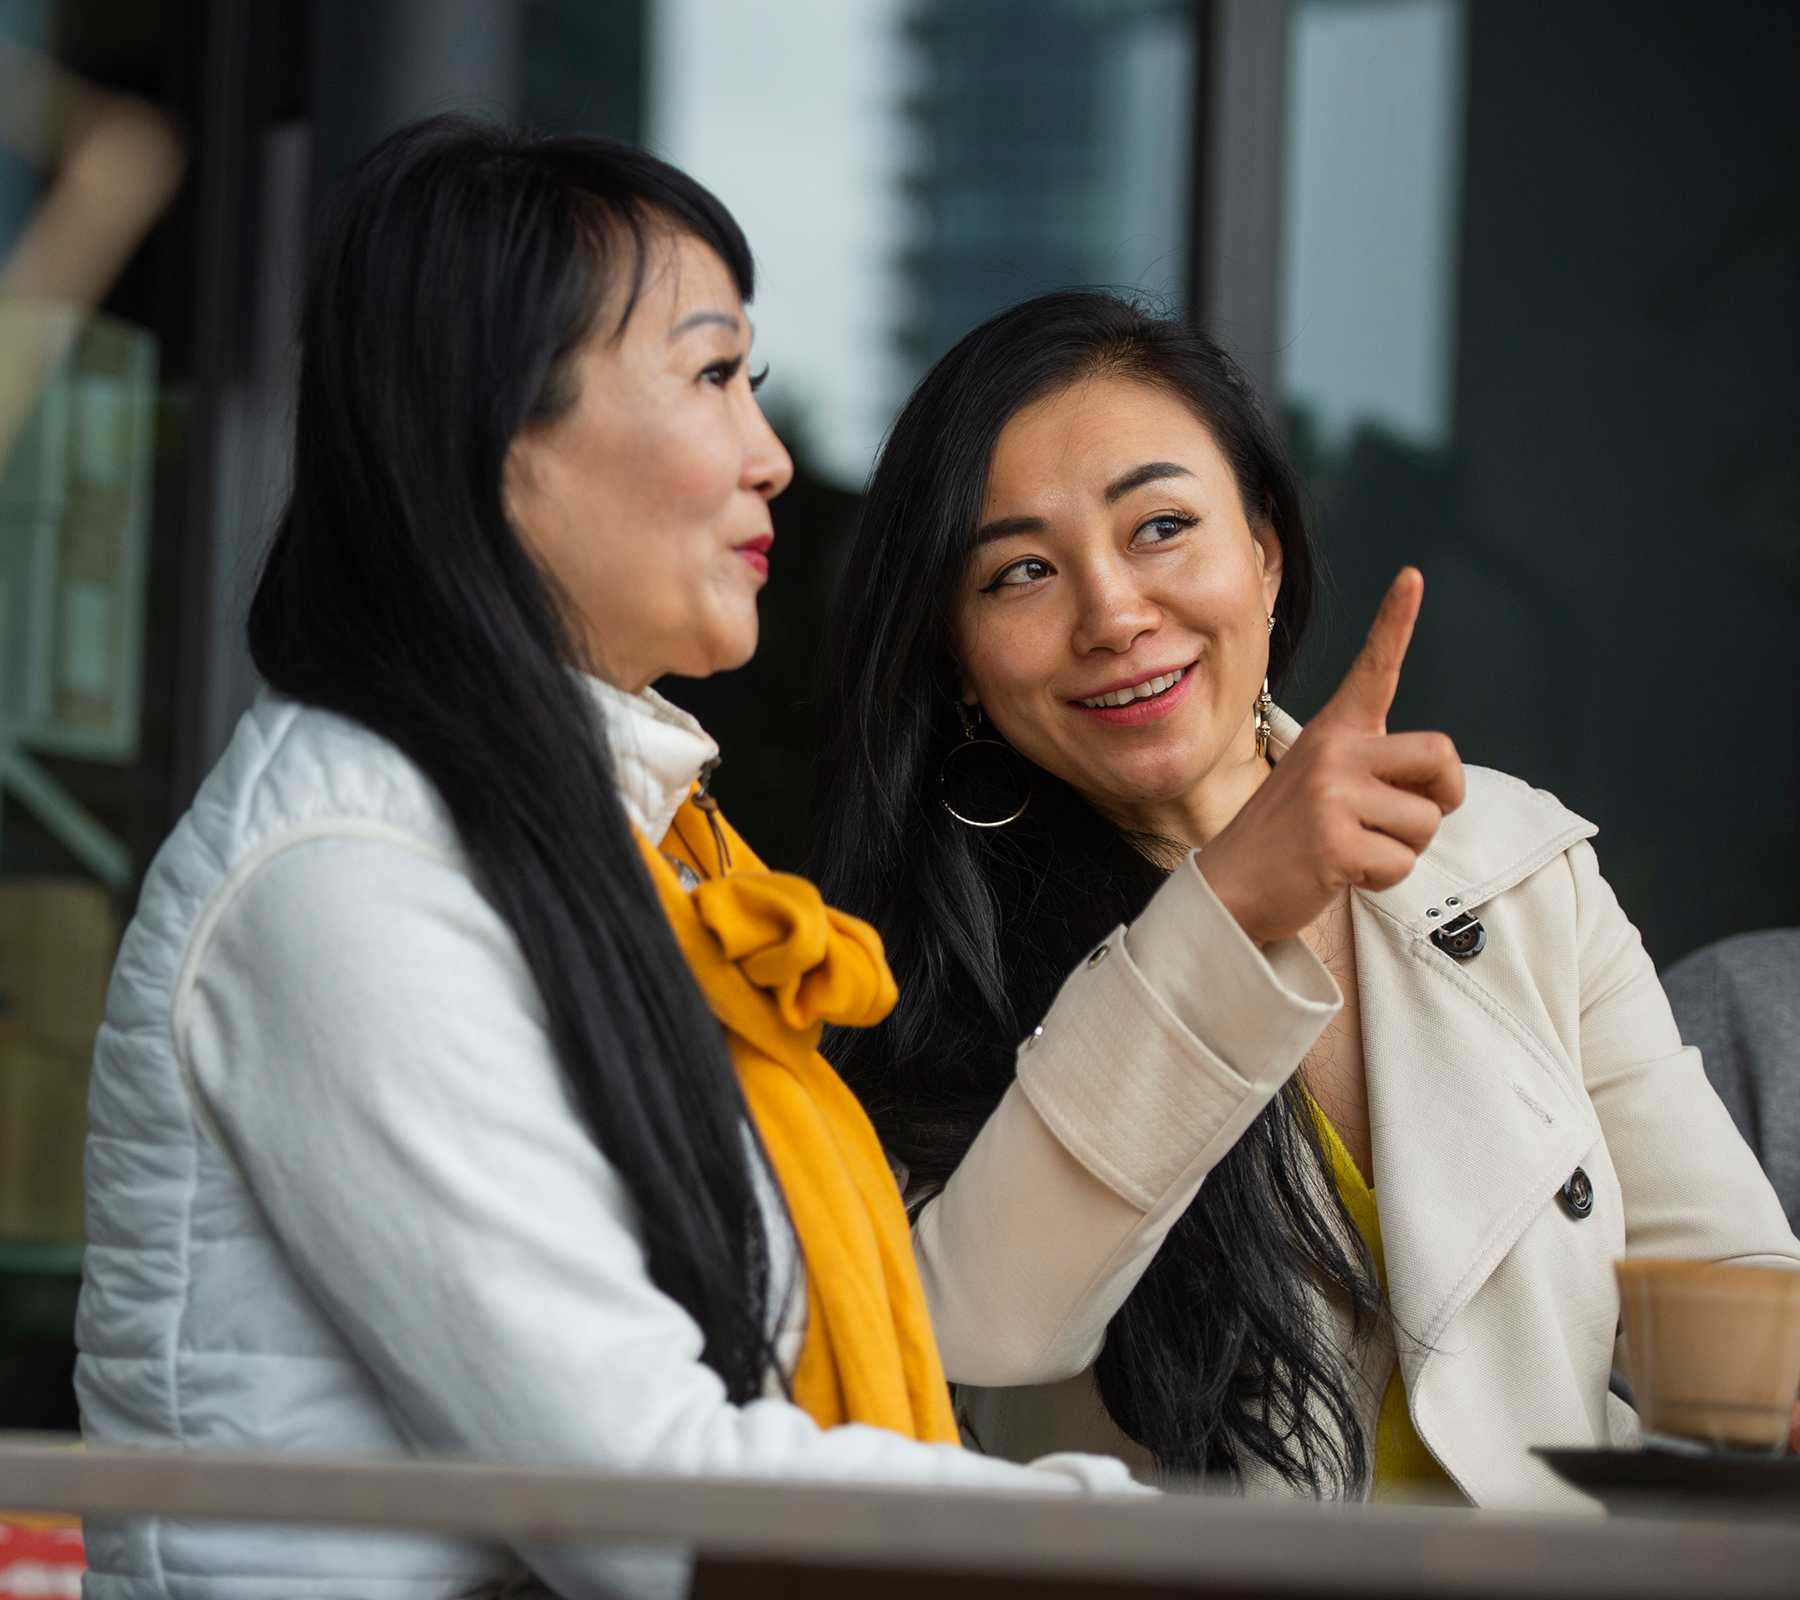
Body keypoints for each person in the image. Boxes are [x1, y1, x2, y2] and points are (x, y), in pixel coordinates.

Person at [73, 121, 1134, 1600]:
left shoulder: (608, 839)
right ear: (499, 438)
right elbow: (635, 1482)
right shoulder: (350, 880)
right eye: (713, 375)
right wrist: (1159, 1549)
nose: (773, 456)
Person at [813, 289, 1800, 1510]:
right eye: (1021, 571)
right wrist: (1223, 911)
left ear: (1265, 554)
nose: (1115, 612)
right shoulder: (906, 977)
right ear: (958, 660)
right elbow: (979, 1332)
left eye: (1161, 526)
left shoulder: (1508, 856)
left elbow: (1734, 1307)